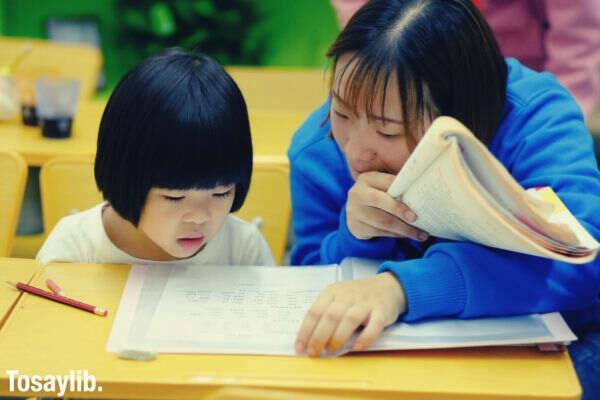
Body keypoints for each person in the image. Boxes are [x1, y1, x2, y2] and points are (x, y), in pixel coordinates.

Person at [288, 0, 599, 397]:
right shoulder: (315, 150)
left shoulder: (534, 116)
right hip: (388, 359)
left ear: (461, 114)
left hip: (555, 349)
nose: (357, 153)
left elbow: (580, 263)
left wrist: (400, 288)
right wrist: (355, 236)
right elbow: (310, 284)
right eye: (342, 113)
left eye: (388, 132)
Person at [37, 49, 274, 267]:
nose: (200, 217)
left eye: (222, 193)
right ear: (124, 178)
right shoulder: (74, 248)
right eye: (175, 197)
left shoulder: (243, 248)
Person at [330, 0, 600, 119]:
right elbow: (364, 16)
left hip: (520, 88)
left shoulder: (534, 109)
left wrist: (559, 113)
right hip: (407, 77)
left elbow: (578, 32)